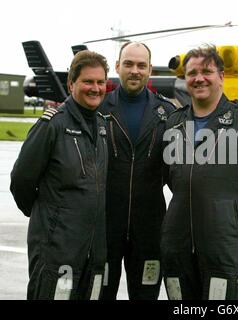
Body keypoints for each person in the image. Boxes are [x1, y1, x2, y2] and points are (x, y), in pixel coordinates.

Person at [161, 45, 238, 300]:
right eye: (192, 73)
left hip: (223, 241)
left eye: (207, 71)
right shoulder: (174, 123)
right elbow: (171, 177)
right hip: (178, 240)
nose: (199, 78)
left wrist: (236, 212)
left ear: (221, 77)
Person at [10, 50, 109, 300]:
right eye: (88, 81)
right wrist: (48, 217)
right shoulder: (52, 125)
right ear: (71, 83)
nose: (95, 88)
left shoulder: (102, 125)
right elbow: (21, 180)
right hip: (57, 249)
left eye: (100, 82)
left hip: (92, 250)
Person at [100, 41, 175, 300]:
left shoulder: (168, 114)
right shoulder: (98, 109)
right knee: (101, 293)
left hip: (150, 227)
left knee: (146, 295)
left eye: (141, 65)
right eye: (129, 64)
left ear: (150, 69)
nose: (135, 70)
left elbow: (178, 171)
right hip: (105, 224)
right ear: (118, 66)